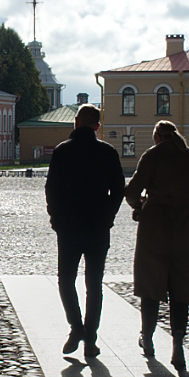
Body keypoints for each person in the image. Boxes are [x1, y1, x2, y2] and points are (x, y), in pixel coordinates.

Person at [124, 119, 189, 372]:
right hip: (183, 230)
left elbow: (130, 191)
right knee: (181, 288)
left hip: (154, 229)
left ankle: (148, 339)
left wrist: (141, 206)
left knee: (151, 285)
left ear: (157, 137)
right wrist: (182, 201)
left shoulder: (152, 156)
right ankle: (178, 346)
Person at [44, 103, 125, 359]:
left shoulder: (62, 151)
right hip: (98, 227)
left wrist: (56, 217)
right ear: (97, 126)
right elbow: (119, 190)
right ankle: (90, 338)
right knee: (94, 284)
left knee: (66, 280)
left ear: (76, 122)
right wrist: (108, 215)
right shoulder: (108, 152)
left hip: (68, 227)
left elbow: (51, 188)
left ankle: (76, 328)